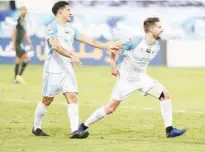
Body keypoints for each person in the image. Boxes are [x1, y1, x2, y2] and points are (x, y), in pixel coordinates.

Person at [79, 17, 186, 138]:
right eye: (159, 27)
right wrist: (113, 65)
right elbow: (114, 45)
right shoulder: (135, 41)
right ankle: (82, 127)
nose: (162, 29)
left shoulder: (156, 46)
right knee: (110, 108)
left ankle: (169, 130)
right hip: (126, 80)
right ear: (151, 29)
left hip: (141, 78)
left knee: (165, 94)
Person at [32, 1, 118, 139]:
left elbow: (88, 40)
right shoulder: (52, 27)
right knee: (47, 99)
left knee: (72, 97)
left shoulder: (71, 29)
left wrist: (105, 46)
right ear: (60, 12)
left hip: (67, 68)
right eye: (68, 10)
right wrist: (71, 55)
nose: (70, 13)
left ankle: (75, 131)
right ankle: (36, 127)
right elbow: (55, 46)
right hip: (53, 69)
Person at [12, 6, 32, 84]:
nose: (25, 12)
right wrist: (13, 44)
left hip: (21, 43)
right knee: (27, 59)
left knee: (18, 60)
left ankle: (16, 79)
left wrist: (29, 42)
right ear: (20, 11)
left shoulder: (24, 21)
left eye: (26, 10)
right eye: (23, 10)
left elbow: (25, 33)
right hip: (18, 43)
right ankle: (19, 76)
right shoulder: (18, 20)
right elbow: (13, 32)